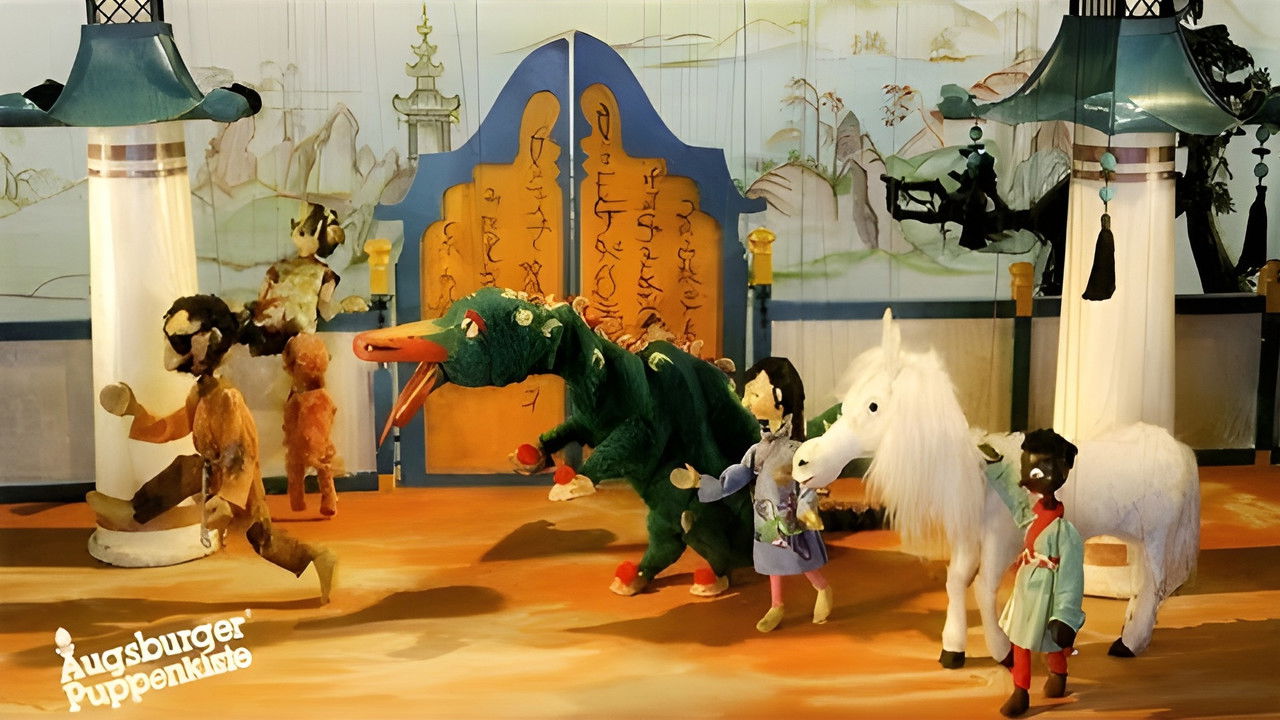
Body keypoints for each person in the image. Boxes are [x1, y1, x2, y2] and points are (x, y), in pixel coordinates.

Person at [87, 295, 336, 603]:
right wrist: (136, 411)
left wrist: (229, 497)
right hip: (211, 473)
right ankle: (134, 511)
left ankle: (319, 557)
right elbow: (175, 425)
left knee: (264, 541)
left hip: (238, 484)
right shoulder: (201, 393)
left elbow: (240, 452)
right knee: (190, 468)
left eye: (182, 341)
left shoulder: (228, 398)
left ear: (208, 341)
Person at [672, 357, 831, 632]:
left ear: (779, 398)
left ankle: (823, 589)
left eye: (754, 394)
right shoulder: (760, 448)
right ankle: (776, 605)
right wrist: (703, 483)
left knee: (802, 560)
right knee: (772, 563)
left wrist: (806, 510)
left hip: (790, 520)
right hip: (766, 519)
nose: (746, 403)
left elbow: (806, 484)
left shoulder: (796, 450)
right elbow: (739, 474)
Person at [984, 428, 1086, 717]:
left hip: (1047, 592)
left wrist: (1065, 616)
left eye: (1038, 472)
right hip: (1026, 589)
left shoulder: (1066, 533)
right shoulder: (1033, 513)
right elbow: (1015, 500)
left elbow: (1071, 580)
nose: (1029, 480)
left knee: (1051, 640)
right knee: (1019, 640)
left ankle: (1059, 673)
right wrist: (997, 469)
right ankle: (1021, 691)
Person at [241, 202, 367, 356]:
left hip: (269, 339)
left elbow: (261, 299)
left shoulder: (278, 267)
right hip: (298, 343)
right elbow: (325, 310)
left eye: (300, 227)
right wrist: (341, 307)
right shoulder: (325, 274)